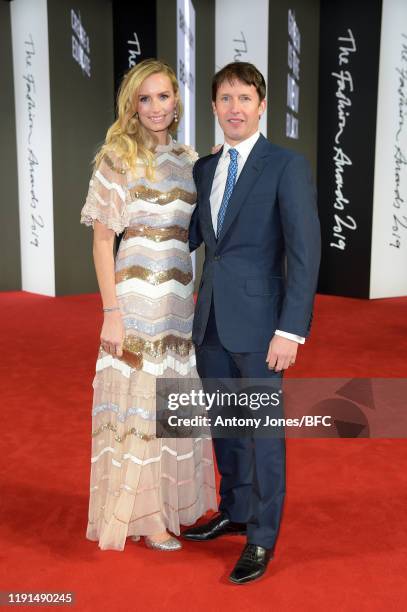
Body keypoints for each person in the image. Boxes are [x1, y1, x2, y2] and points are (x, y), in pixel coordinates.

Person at [183, 62, 321, 583]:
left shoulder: (286, 165)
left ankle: (262, 538)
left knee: (263, 433)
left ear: (261, 105)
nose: (234, 108)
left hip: (264, 326)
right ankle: (235, 510)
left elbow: (305, 254)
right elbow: (198, 237)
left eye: (244, 98)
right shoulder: (205, 167)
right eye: (225, 99)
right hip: (211, 319)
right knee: (226, 425)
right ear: (214, 107)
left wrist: (291, 330)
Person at [80, 59, 217, 552]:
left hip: (180, 300)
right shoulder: (117, 158)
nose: (156, 107)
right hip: (135, 301)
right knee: (141, 403)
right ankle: (147, 516)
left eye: (164, 96)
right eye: (145, 98)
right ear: (132, 106)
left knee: (171, 403)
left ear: (176, 101)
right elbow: (101, 241)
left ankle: (173, 505)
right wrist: (110, 312)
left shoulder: (189, 159)